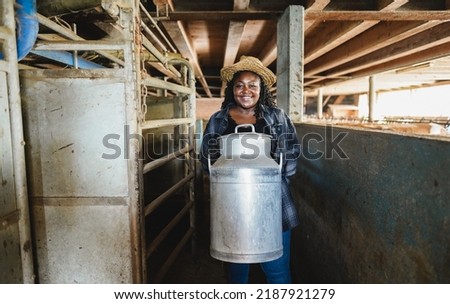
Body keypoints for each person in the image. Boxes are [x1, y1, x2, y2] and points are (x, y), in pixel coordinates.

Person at [200, 55, 300, 284]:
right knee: (236, 268)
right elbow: (207, 159)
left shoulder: (277, 117)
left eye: (252, 85)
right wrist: (232, 182)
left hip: (275, 204)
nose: (246, 91)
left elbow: (292, 152)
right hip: (232, 205)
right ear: (232, 89)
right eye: (239, 85)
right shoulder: (218, 119)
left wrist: (267, 183)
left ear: (261, 88)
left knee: (276, 269)